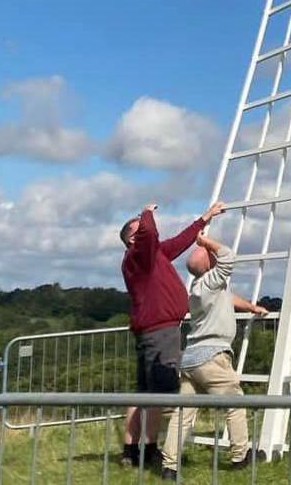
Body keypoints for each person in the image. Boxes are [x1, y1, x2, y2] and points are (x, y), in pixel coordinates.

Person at [119, 201, 226, 469]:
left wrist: (204, 218)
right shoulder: (138, 256)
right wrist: (145, 213)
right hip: (160, 331)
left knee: (143, 393)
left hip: (154, 330)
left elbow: (179, 241)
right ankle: (148, 451)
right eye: (139, 229)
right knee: (160, 393)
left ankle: (131, 451)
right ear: (133, 239)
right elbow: (149, 235)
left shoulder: (153, 255)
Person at [160, 232, 268, 480]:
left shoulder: (199, 288)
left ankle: (170, 466)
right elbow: (229, 256)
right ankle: (241, 456)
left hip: (190, 359)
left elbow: (227, 298)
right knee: (235, 404)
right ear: (208, 264)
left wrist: (252, 307)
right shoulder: (210, 281)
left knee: (183, 414)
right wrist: (204, 241)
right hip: (212, 357)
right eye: (210, 257)